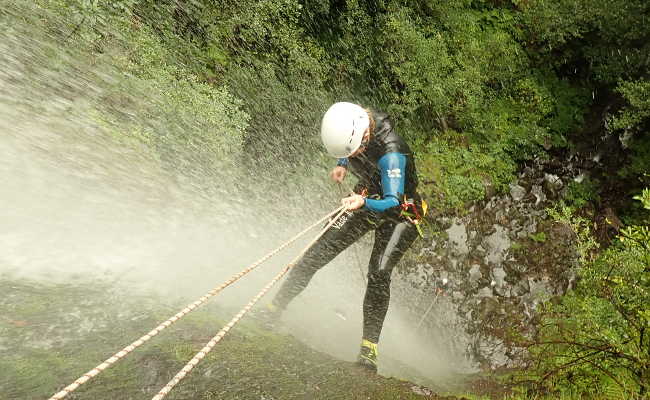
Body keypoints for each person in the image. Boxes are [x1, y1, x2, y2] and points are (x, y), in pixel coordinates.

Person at [269, 102, 424, 372]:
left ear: (365, 136)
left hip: (400, 212)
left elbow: (392, 203)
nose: (354, 156)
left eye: (353, 152)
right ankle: (273, 309)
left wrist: (362, 204)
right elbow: (349, 147)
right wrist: (342, 162)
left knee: (378, 272)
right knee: (318, 248)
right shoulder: (354, 120)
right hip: (364, 198)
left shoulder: (392, 155)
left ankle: (369, 351)